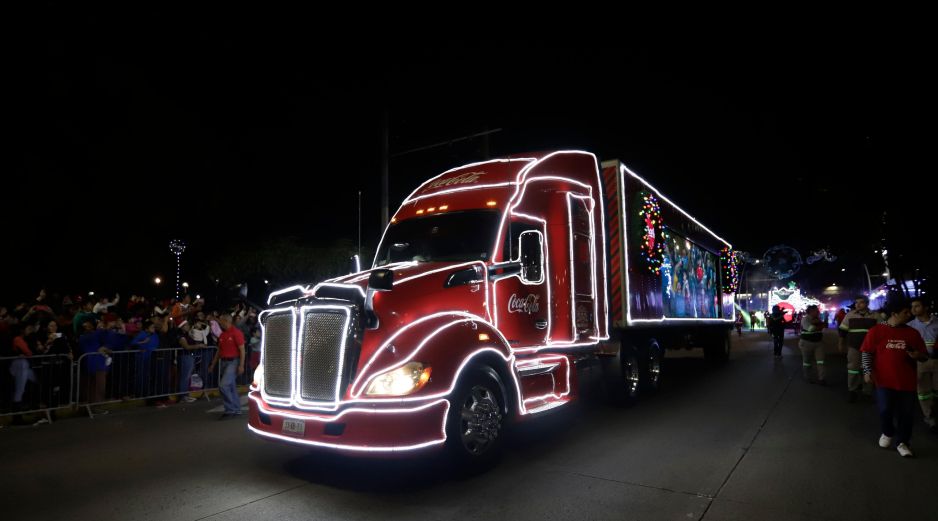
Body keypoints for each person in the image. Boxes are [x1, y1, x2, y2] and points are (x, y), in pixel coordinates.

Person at [861, 298, 929, 457]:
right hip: (884, 381)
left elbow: (924, 357)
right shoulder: (877, 331)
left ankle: (903, 442)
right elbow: (867, 352)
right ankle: (887, 432)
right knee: (885, 410)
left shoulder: (913, 333)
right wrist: (867, 370)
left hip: (907, 383)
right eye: (906, 312)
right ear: (894, 314)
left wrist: (918, 355)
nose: (909, 314)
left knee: (906, 414)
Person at [839, 296, 881, 402]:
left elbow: (883, 330)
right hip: (854, 347)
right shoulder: (850, 315)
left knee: (868, 369)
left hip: (870, 348)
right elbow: (843, 331)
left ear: (867, 304)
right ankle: (852, 391)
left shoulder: (876, 316)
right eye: (856, 302)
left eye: (861, 302)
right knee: (853, 369)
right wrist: (841, 343)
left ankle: (867, 392)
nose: (857, 305)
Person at [907, 297, 938, 432]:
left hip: (936, 361)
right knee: (923, 392)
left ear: (926, 307)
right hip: (919, 362)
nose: (913, 309)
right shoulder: (910, 326)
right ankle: (930, 418)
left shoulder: (937, 323)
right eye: (912, 306)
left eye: (917, 306)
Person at [208, 314, 245, 418]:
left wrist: (241, 365)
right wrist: (213, 364)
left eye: (221, 321)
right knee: (231, 387)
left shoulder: (236, 333)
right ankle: (237, 410)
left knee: (223, 385)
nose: (220, 323)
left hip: (233, 362)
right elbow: (219, 351)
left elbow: (242, 350)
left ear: (226, 321)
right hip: (224, 362)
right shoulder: (222, 335)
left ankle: (230, 410)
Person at [799, 305, 827, 384]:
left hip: (818, 343)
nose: (818, 312)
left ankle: (822, 378)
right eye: (816, 310)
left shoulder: (817, 319)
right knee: (807, 361)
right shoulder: (805, 319)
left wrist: (818, 324)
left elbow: (824, 326)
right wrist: (819, 325)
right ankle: (808, 377)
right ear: (811, 311)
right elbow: (810, 329)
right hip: (806, 343)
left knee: (821, 361)